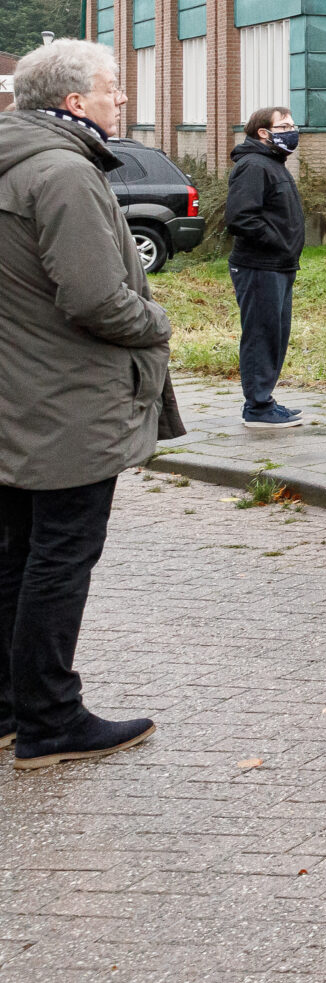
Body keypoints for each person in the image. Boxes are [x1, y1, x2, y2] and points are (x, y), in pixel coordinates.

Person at [0, 39, 164, 769]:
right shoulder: (63, 171)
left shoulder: (12, 159)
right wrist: (157, 322)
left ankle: (11, 709)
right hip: (67, 399)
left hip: (17, 393)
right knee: (61, 556)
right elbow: (96, 297)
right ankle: (51, 718)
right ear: (74, 101)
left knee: (17, 555)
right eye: (111, 87)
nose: (120, 99)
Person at [226, 106, 306, 428]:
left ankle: (264, 400)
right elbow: (241, 218)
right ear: (263, 132)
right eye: (284, 125)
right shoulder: (254, 165)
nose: (293, 129)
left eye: (292, 123)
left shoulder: (273, 163)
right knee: (261, 335)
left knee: (274, 334)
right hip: (260, 266)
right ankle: (258, 409)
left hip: (278, 265)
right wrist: (278, 242)